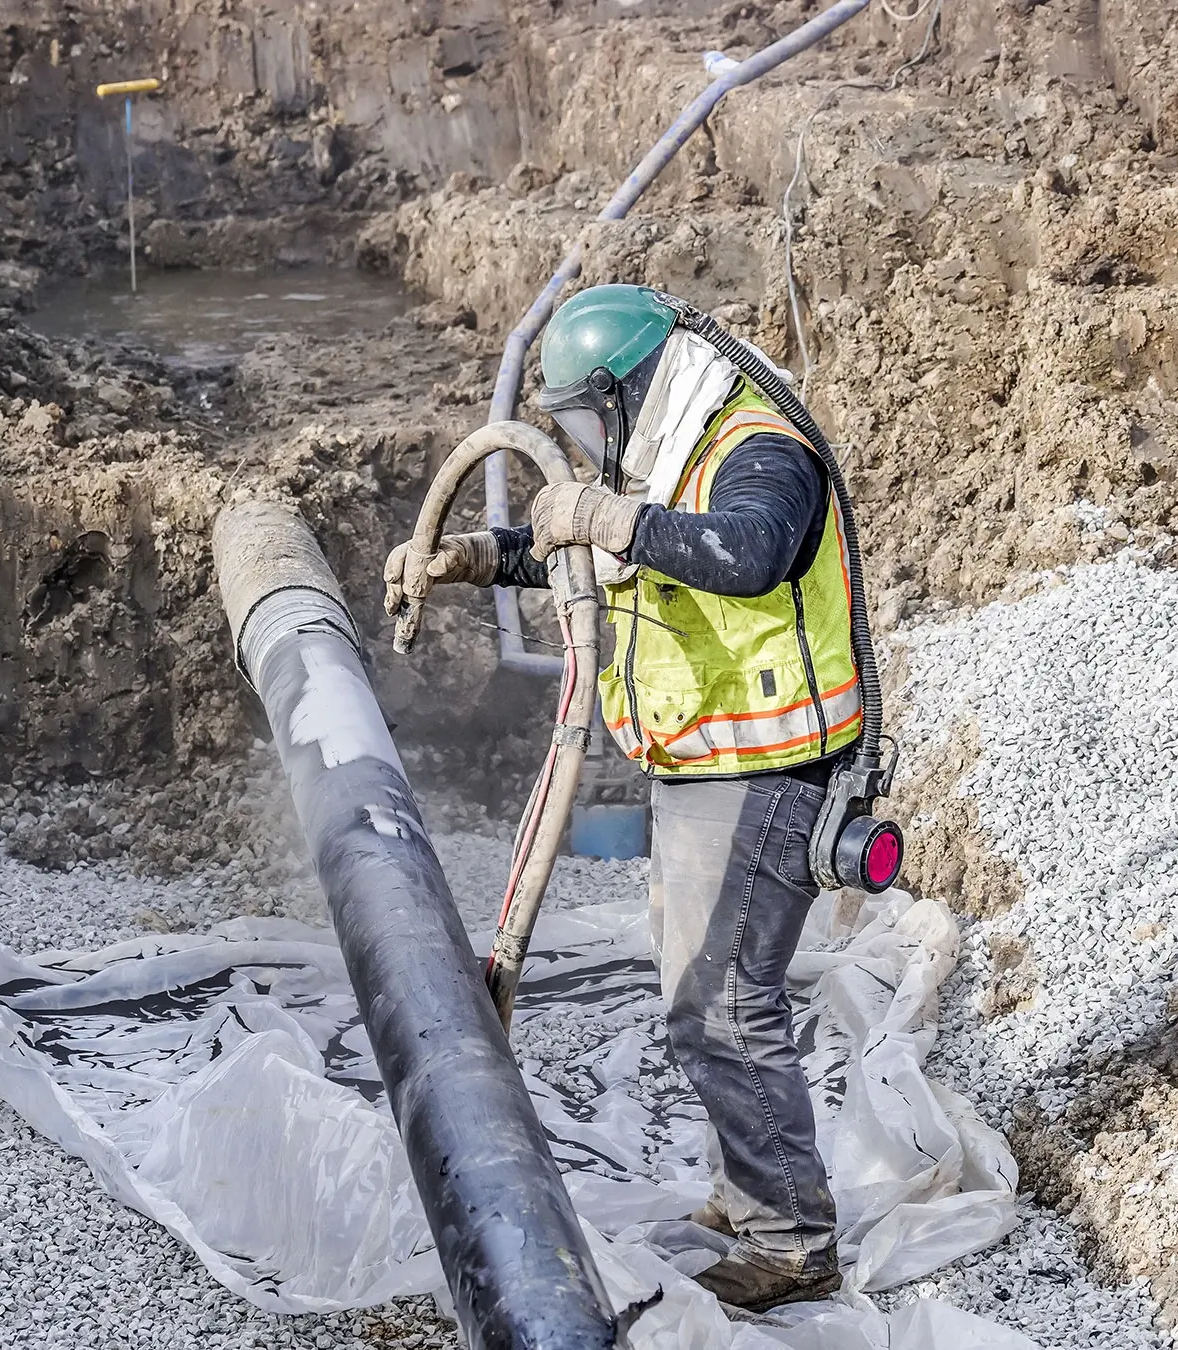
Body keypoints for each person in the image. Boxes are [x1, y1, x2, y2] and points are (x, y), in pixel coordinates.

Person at [383, 284, 863, 1311]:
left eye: (593, 418)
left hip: (771, 772)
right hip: (705, 768)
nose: (590, 444)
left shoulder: (757, 447)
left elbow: (747, 552)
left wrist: (608, 512)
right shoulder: (664, 450)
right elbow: (598, 542)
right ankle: (750, 1192)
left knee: (722, 1008)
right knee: (705, 994)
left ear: (633, 387)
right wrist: (472, 557)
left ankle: (791, 1244)